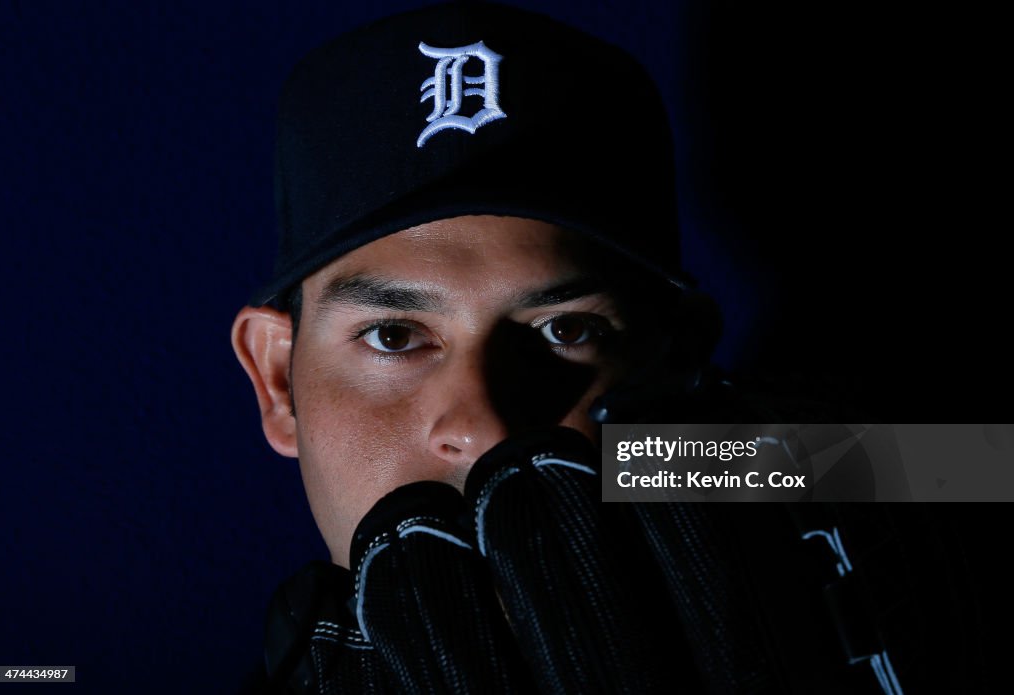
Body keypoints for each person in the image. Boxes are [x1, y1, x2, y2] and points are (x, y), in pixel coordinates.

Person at [231, 2, 987, 693]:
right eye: (395, 336)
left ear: (680, 358)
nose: (485, 427)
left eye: (566, 331)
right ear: (277, 381)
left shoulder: (702, 468)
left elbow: (966, 463)